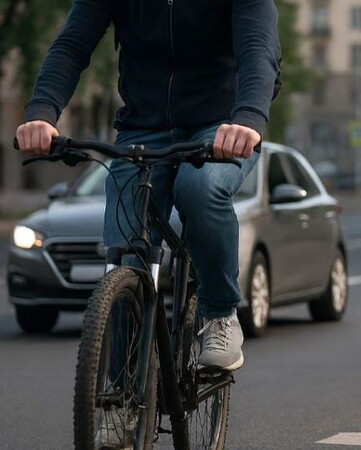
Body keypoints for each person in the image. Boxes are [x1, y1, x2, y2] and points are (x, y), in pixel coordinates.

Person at [15, 1, 281, 374]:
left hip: (221, 127)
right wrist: (42, 113)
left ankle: (219, 314)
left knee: (200, 189)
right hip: (143, 127)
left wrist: (249, 118)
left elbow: (258, 49)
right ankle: (121, 396)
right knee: (126, 250)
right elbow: (72, 45)